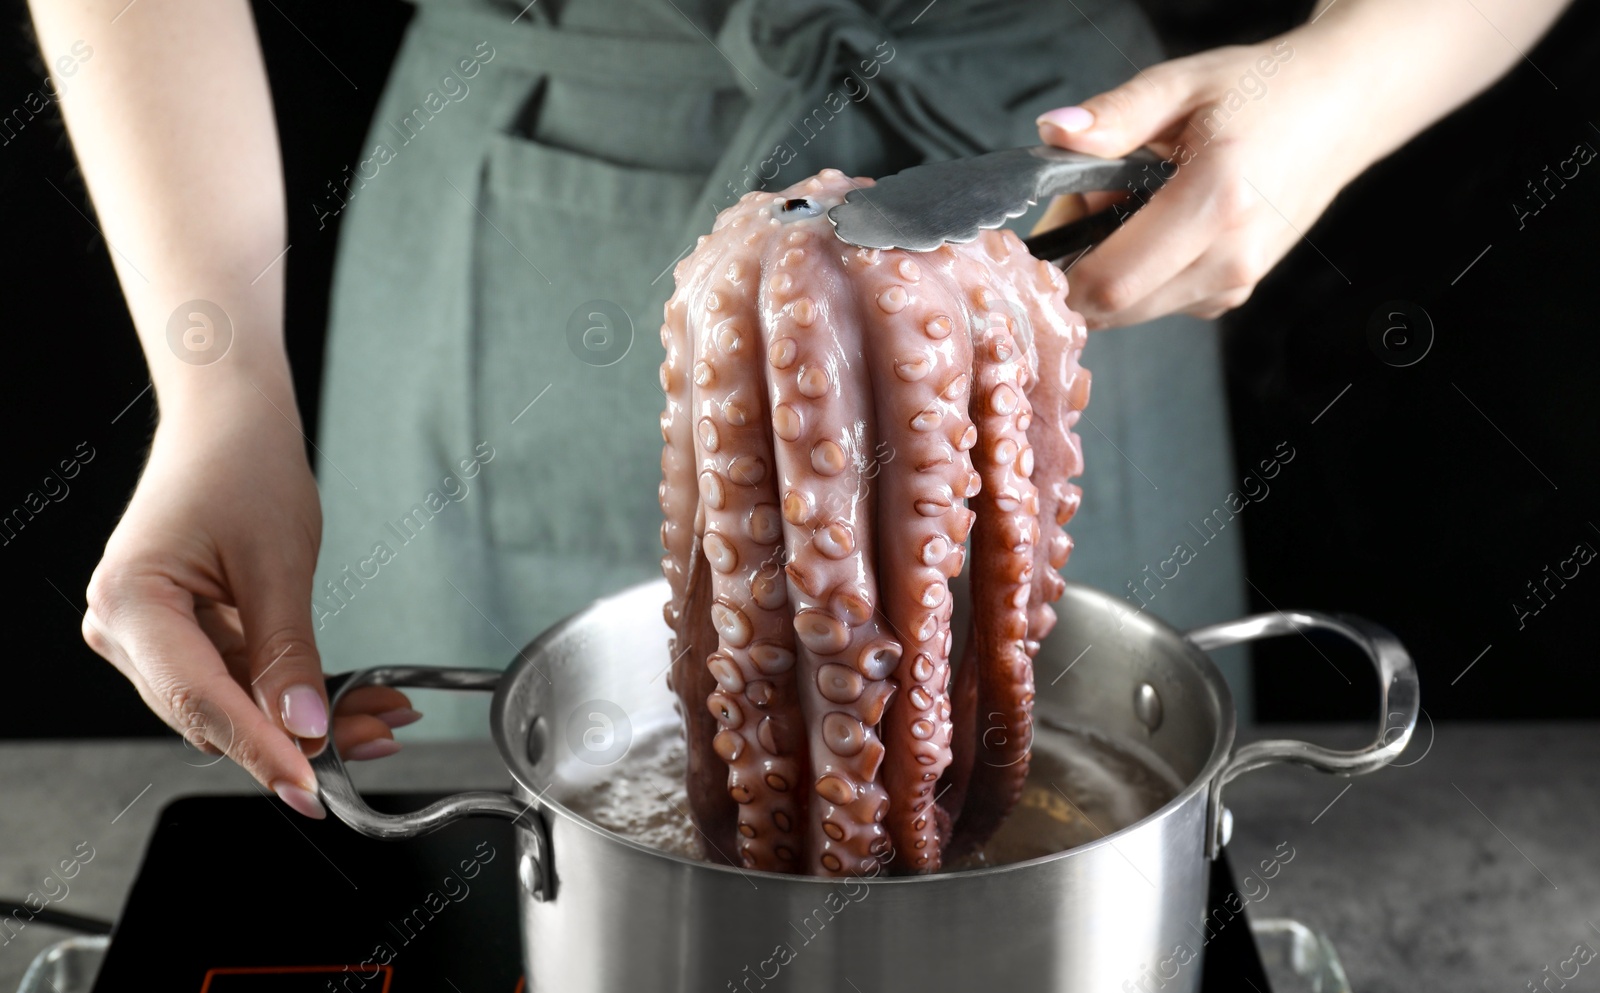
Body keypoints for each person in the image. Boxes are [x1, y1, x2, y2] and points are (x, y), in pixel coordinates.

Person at [31, 0, 1569, 820]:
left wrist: (1346, 86)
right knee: (514, 844)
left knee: (1056, 776)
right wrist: (219, 390)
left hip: (1057, 203)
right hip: (515, 205)